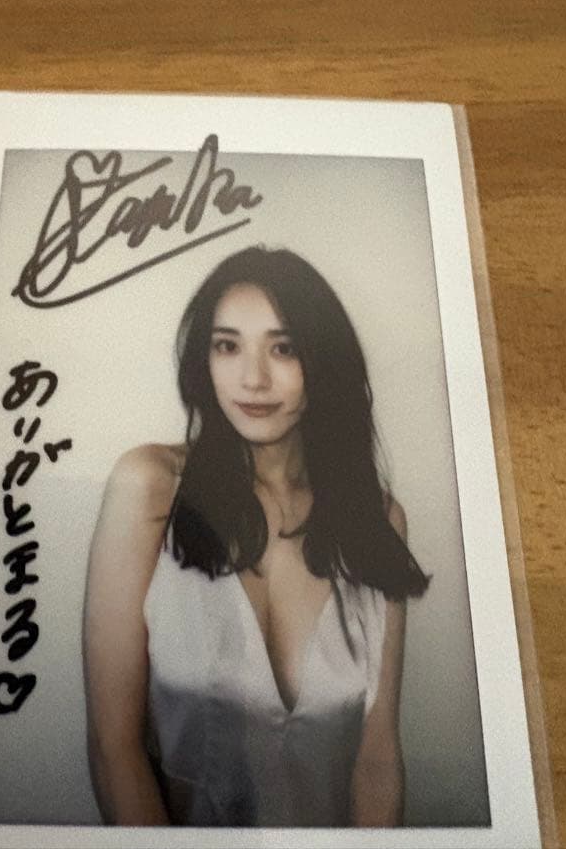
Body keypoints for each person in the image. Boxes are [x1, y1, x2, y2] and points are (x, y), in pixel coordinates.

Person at [83, 246, 428, 828]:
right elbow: (113, 747)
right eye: (227, 346)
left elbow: (378, 759)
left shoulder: (378, 521)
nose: (253, 378)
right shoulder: (149, 487)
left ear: (324, 361)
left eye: (283, 348)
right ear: (204, 360)